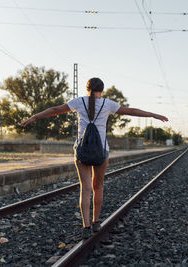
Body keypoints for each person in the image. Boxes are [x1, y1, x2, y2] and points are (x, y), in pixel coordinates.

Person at [20, 77, 168, 239]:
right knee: (98, 186)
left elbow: (55, 109)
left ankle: (86, 226)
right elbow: (131, 111)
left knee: (85, 188)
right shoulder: (108, 104)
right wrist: (154, 115)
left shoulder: (78, 102)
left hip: (81, 151)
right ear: (102, 90)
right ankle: (96, 221)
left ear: (87, 89)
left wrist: (34, 117)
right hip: (101, 151)